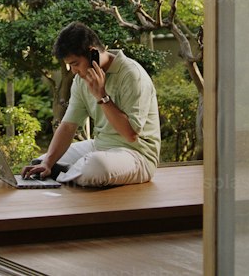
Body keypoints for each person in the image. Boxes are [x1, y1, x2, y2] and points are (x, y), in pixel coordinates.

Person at [21, 21, 160, 188]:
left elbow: (130, 135)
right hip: (100, 146)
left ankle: (64, 175)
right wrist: (48, 163)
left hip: (137, 155)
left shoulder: (132, 75)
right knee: (42, 161)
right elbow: (68, 126)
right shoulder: (81, 81)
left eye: (75, 64)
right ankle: (64, 171)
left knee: (95, 166)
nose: (73, 71)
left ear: (93, 53)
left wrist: (101, 95)